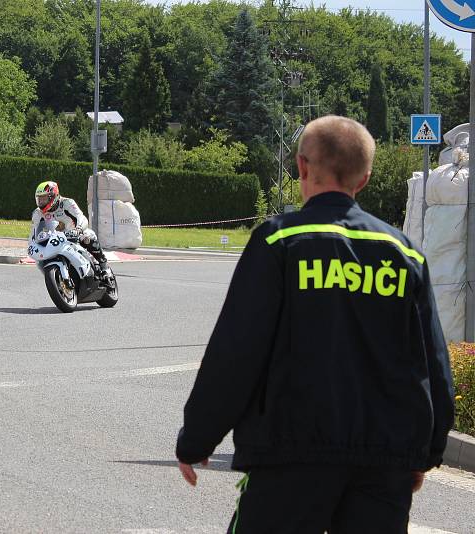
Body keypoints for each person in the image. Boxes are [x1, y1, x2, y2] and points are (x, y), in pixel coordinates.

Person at [176, 116, 455, 534]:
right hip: (382, 466)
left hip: (290, 457)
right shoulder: (405, 254)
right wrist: (425, 453)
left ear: (302, 167)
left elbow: (236, 351)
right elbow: (433, 362)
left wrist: (198, 437)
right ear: (364, 179)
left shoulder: (279, 242)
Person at [31, 181, 109, 275]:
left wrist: (78, 229)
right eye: (39, 199)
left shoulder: (67, 203)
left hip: (73, 235)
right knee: (40, 260)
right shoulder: (37, 213)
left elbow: (81, 217)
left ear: (53, 196)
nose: (41, 202)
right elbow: (34, 231)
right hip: (55, 240)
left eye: (44, 198)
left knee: (88, 236)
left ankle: (104, 266)